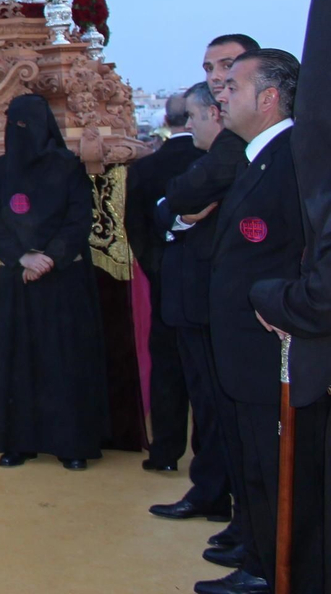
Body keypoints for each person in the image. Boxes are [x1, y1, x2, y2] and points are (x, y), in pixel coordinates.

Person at [199, 49, 327, 594]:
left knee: (281, 473)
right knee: (255, 466)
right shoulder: (261, 156)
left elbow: (307, 252)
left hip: (273, 349)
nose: (220, 96)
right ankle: (258, 556)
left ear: (269, 98)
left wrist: (279, 301)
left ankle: (279, 571)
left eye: (233, 86)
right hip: (247, 355)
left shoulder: (295, 156)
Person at [0, 94, 109, 470]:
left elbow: (78, 219)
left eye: (27, 126)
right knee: (18, 362)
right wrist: (22, 257)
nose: (21, 134)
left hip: (62, 280)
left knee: (63, 362)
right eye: (14, 125)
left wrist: (48, 257)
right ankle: (19, 442)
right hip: (18, 278)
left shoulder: (68, 168)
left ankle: (71, 444)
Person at [146, 83, 239, 534]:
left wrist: (174, 209)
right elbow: (167, 209)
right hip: (191, 302)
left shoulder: (226, 158)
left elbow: (177, 197)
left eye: (197, 118)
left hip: (208, 303)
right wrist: (176, 213)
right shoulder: (210, 158)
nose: (193, 126)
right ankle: (214, 491)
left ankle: (216, 493)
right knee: (207, 403)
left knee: (217, 406)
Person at [126, 93, 206, 474]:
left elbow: (135, 229)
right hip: (208, 281)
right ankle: (208, 459)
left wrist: (157, 267)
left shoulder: (145, 168)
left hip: (163, 282)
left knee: (168, 369)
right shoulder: (212, 162)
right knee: (207, 376)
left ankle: (165, 453)